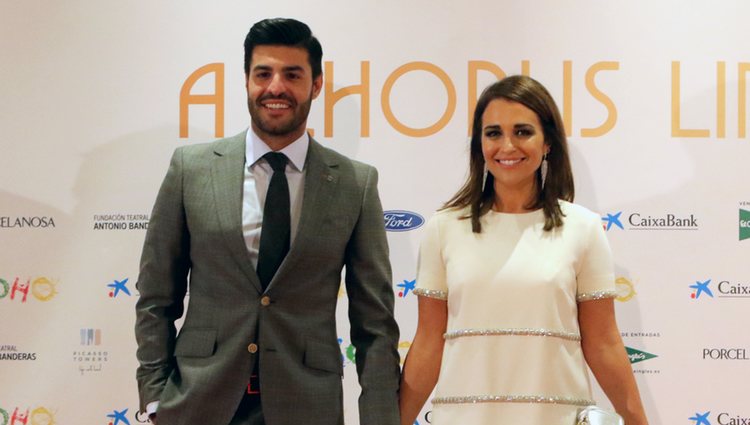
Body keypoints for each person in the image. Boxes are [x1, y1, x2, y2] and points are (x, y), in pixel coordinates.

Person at [134, 18, 400, 425]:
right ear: (246, 81)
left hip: (307, 405)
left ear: (315, 85)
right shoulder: (191, 169)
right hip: (198, 402)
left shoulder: (355, 183)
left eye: (292, 74)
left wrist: (380, 417)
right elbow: (156, 295)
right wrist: (154, 396)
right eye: (264, 73)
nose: (276, 87)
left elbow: (374, 322)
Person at [399, 75, 648, 425]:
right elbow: (428, 342)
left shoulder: (583, 228)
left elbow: (603, 343)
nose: (507, 146)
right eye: (493, 133)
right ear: (479, 144)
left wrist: (638, 420)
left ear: (548, 142)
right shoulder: (444, 229)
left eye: (522, 131)